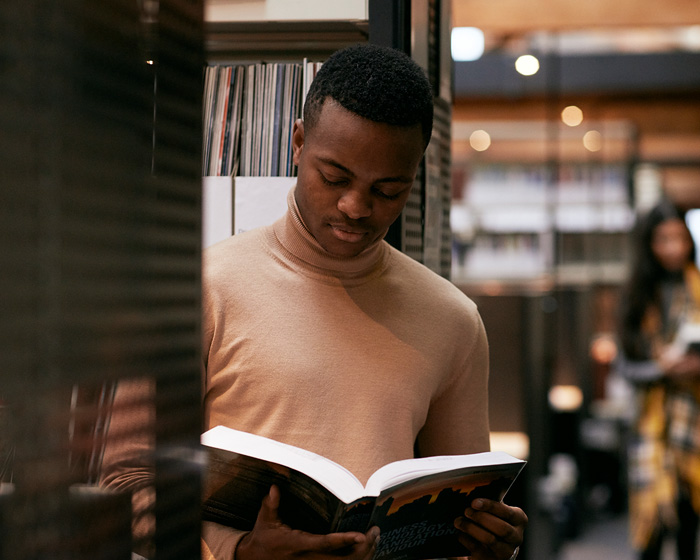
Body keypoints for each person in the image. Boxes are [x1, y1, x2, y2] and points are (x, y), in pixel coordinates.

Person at [103, 43, 527, 560]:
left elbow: (453, 521)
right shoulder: (196, 290)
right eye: (335, 178)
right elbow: (125, 484)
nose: (356, 207)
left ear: (416, 176)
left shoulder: (452, 320)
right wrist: (236, 552)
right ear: (299, 143)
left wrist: (487, 545)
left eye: (388, 190)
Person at [616, 199, 700, 560]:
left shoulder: (697, 288)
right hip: (648, 424)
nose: (673, 248)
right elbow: (626, 367)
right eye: (663, 239)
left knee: (688, 523)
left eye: (679, 238)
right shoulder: (636, 295)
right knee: (651, 527)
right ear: (649, 244)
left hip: (693, 422)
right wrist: (662, 370)